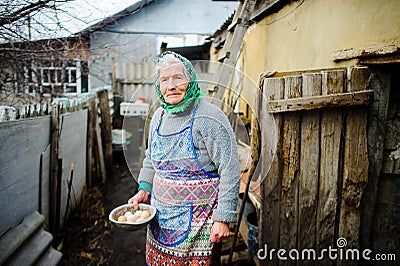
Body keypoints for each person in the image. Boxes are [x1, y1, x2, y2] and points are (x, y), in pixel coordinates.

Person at [128, 51, 240, 265]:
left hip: (200, 229)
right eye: (164, 80)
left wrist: (223, 218)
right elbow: (152, 158)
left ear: (191, 80)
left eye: (178, 78)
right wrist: (144, 189)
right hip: (160, 224)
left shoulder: (209, 117)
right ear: (158, 86)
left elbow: (230, 168)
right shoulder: (159, 117)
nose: (171, 86)